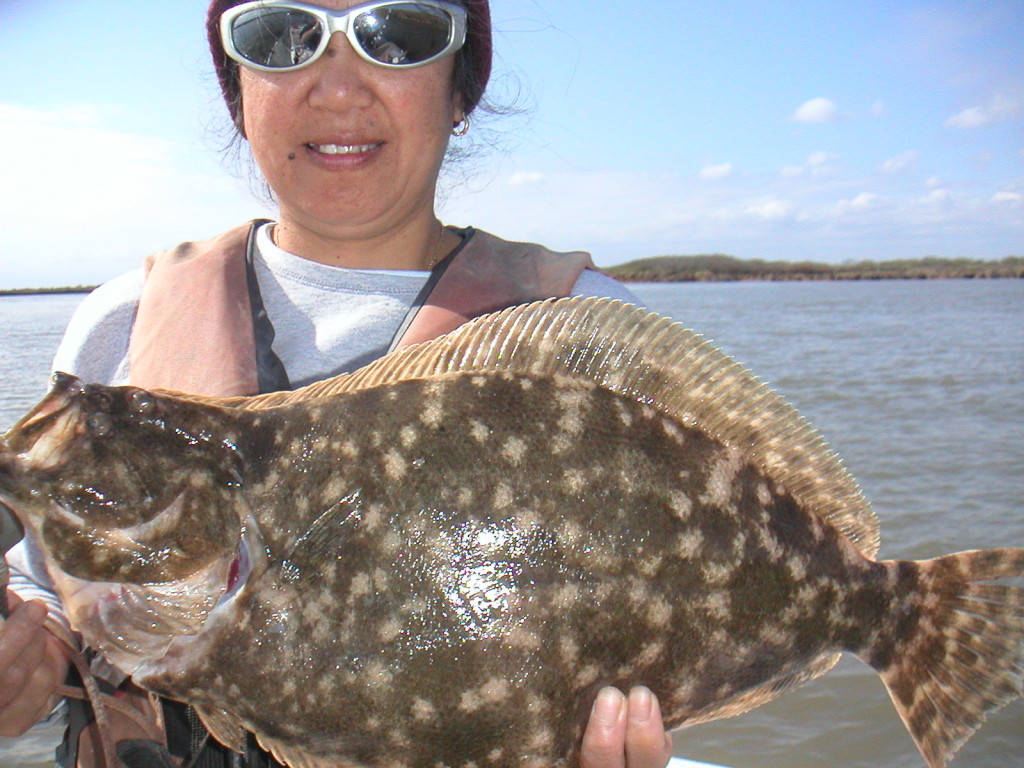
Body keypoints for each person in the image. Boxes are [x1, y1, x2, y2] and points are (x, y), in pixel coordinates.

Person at [0, 1, 674, 766]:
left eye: (400, 33)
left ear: (460, 89)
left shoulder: (580, 332)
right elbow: (48, 591)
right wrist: (30, 653)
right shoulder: (121, 322)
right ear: (240, 91)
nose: (339, 86)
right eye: (281, 35)